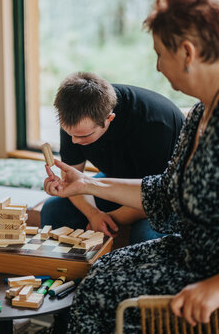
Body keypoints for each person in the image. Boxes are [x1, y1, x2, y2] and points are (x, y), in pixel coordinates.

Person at [43, 0, 219, 333]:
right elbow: (165, 191)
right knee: (100, 276)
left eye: (159, 54)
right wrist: (86, 185)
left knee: (106, 297)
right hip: (198, 259)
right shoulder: (202, 112)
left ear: (187, 52)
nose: (157, 67)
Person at [40, 72, 184, 244]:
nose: (74, 141)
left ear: (109, 119)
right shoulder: (74, 118)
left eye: (84, 136)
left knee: (146, 236)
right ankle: (58, 271)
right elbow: (73, 178)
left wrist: (107, 218)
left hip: (168, 195)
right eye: (70, 134)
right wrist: (93, 214)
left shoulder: (155, 125)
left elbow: (157, 197)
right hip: (116, 181)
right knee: (53, 208)